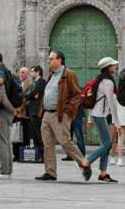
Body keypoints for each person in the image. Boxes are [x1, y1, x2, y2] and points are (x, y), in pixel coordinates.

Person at [34, 49, 92, 183]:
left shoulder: (68, 74)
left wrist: (68, 112)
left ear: (59, 60)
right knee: (47, 144)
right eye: (48, 59)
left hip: (59, 114)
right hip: (47, 114)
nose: (48, 61)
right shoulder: (51, 75)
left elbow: (77, 94)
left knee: (65, 141)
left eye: (51, 58)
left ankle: (84, 163)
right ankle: (50, 172)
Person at [84, 57, 121, 183]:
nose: (114, 67)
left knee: (105, 144)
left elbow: (95, 100)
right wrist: (117, 122)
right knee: (108, 144)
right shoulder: (108, 83)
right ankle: (87, 161)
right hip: (99, 115)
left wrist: (90, 118)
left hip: (98, 114)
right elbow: (111, 103)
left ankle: (103, 173)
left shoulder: (100, 80)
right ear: (108, 67)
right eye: (113, 65)